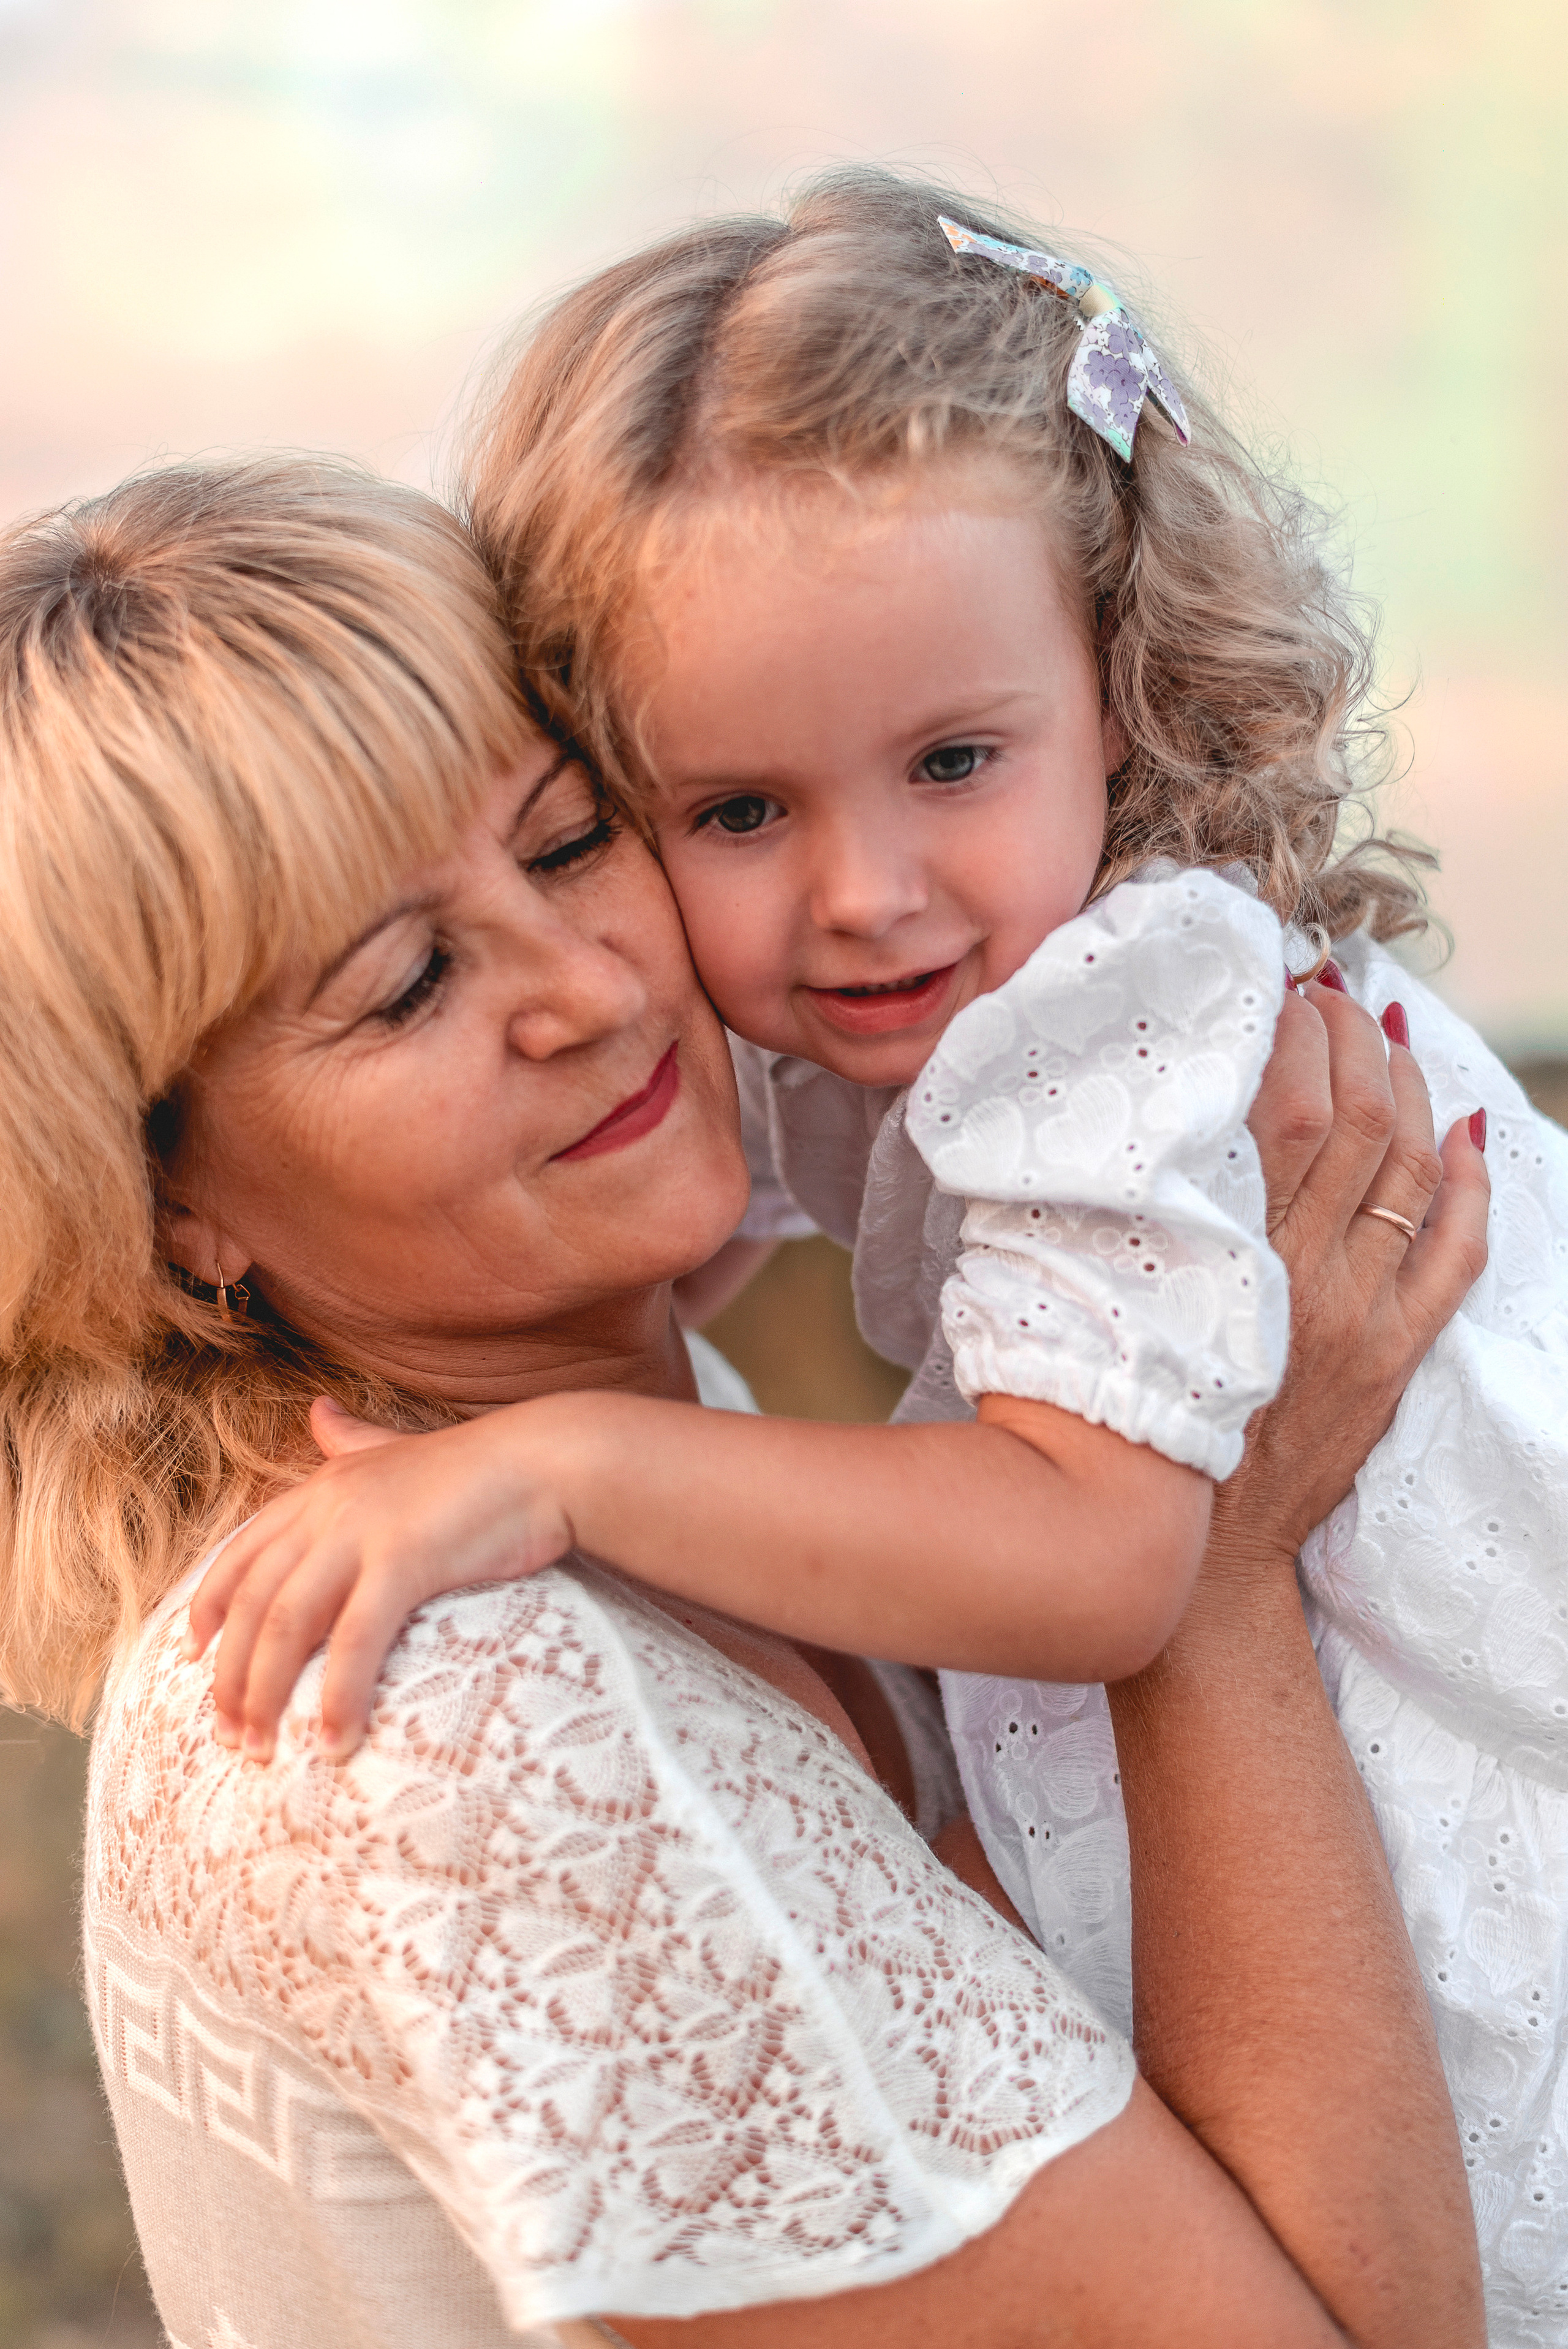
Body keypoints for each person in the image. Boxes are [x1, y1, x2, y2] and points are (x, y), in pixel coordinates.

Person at [207, 168, 1558, 2324]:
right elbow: (721, 1218)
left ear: (1118, 690)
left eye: (951, 761)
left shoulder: (1119, 1023)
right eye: (735, 811)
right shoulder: (940, 987)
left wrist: (551, 1461)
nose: (863, 893)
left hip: (1457, 1763)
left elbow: (1110, 1551)